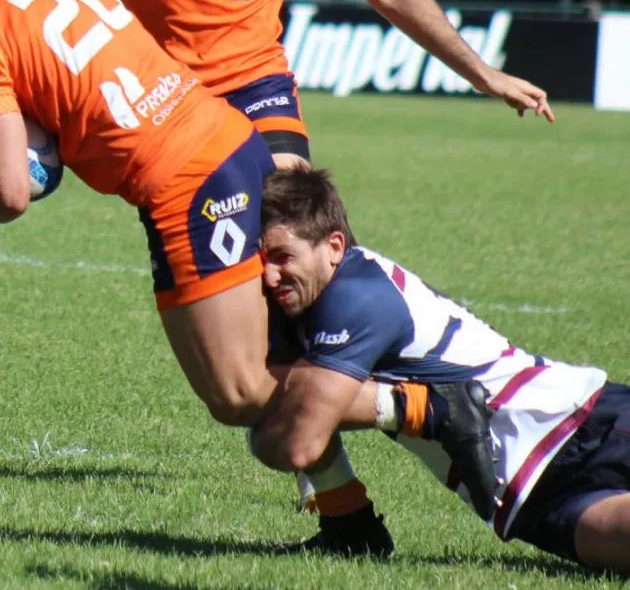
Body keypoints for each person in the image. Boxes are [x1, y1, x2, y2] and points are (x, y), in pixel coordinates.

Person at [39, 0, 554, 548]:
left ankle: (411, 395)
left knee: (286, 261)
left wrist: (481, 70)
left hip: (256, 95)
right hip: (161, 112)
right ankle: (352, 508)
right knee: (249, 356)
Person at [0, 0, 495, 558]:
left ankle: (430, 408)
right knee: (274, 361)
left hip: (185, 184)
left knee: (241, 389)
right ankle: (351, 526)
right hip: (227, 138)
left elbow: (12, 193)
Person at [249, 166, 629, 574]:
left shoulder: (356, 295)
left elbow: (297, 445)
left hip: (581, 423)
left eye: (283, 257)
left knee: (288, 403)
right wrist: (408, 408)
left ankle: (419, 422)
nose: (270, 276)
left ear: (334, 247)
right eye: (261, 261)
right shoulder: (311, 304)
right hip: (530, 499)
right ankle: (350, 526)